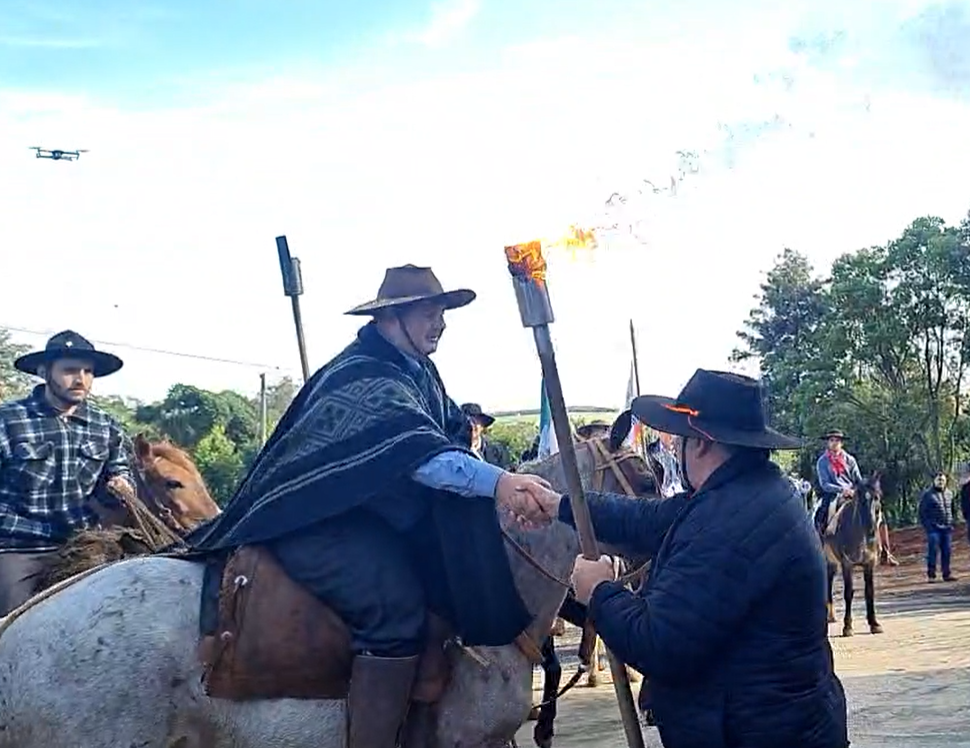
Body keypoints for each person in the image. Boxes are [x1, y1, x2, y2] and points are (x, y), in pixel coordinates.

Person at [185, 265, 555, 748]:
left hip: (364, 517)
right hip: (310, 520)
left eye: (442, 312)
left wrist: (492, 482)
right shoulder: (366, 374)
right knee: (394, 611)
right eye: (429, 312)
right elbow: (423, 457)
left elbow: (448, 439)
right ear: (392, 317)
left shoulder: (417, 369)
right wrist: (502, 483)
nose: (440, 323)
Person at [535, 369, 848, 748]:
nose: (675, 448)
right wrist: (561, 505)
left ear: (699, 444)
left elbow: (659, 644)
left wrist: (598, 591)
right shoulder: (742, 491)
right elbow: (645, 519)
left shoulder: (732, 520)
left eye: (681, 438)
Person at [0, 330, 135, 615]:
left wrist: (122, 484)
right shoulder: (9, 420)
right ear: (44, 372)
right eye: (70, 371)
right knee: (15, 624)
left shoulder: (105, 425)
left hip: (82, 547)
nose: (81, 379)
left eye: (88, 371)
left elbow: (118, 469)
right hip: (19, 547)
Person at [815, 429, 898, 565]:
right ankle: (821, 548)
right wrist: (842, 490)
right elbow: (824, 484)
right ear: (828, 443)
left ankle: (885, 552)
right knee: (821, 514)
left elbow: (858, 479)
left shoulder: (850, 459)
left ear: (841, 443)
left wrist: (857, 490)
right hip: (833, 494)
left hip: (854, 493)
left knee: (877, 514)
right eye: (832, 440)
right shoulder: (822, 462)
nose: (834, 443)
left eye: (837, 441)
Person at [918, 472, 956, 582]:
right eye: (939, 480)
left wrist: (952, 523)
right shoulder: (928, 495)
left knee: (947, 551)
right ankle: (931, 575)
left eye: (942, 480)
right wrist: (928, 527)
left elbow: (952, 509)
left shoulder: (949, 493)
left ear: (946, 482)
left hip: (947, 528)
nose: (941, 482)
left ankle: (946, 574)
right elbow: (922, 513)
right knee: (933, 552)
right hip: (934, 529)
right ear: (934, 481)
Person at [460, 402, 511, 469]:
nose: (472, 426)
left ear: (482, 425)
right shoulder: (457, 455)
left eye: (475, 422)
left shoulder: (499, 452)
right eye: (467, 423)